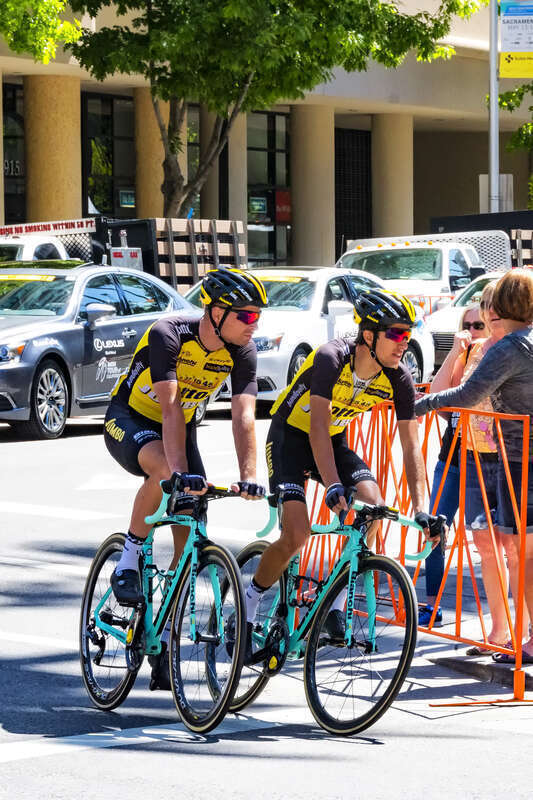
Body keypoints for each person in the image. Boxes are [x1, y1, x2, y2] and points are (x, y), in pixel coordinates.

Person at [244, 288, 444, 655]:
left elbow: (411, 445)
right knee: (297, 535)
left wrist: (421, 509)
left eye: (408, 334)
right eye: (397, 334)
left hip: (332, 443)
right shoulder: (331, 358)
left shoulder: (398, 377)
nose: (405, 343)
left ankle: (334, 608)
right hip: (290, 437)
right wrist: (333, 485)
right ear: (369, 335)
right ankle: (249, 604)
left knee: (374, 505)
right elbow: (316, 425)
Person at [103, 266, 268, 685]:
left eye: (258, 316)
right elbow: (171, 408)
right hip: (132, 417)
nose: (254, 324)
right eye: (246, 316)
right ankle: (130, 557)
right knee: (163, 472)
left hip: (182, 429)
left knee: (192, 525)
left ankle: (163, 632)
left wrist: (249, 475)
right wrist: (178, 473)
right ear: (216, 311)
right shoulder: (169, 333)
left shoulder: (242, 352)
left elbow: (244, 415)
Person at [415, 269, 533, 663]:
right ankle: (512, 634)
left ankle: (526, 638)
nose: (487, 313)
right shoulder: (516, 344)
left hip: (515, 459)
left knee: (522, 551)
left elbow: (467, 394)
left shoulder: (510, 347)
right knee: (513, 548)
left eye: (492, 304)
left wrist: (419, 406)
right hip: (503, 457)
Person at [420, 302, 487, 627]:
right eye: (468, 325)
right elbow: (440, 400)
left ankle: (506, 623)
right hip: (452, 458)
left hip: (485, 462)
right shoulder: (464, 359)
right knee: (434, 527)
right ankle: (432, 604)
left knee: (491, 541)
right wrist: (454, 353)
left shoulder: (492, 359)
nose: (472, 332)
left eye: (479, 326)